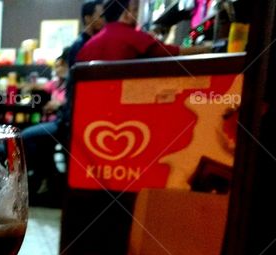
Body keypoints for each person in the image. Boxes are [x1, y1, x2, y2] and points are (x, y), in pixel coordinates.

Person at [19, 1, 104, 205]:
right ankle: (47, 182)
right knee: (29, 138)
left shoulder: (87, 44)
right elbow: (76, 87)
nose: (104, 20)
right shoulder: (82, 46)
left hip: (70, 119)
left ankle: (50, 183)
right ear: (87, 18)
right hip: (70, 119)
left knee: (28, 137)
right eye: (101, 15)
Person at [77, 0, 212, 62]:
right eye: (135, 9)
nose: (138, 14)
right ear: (125, 14)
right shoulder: (134, 37)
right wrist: (210, 48)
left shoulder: (87, 46)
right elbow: (174, 52)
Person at [41, 53, 69, 122]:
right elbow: (41, 86)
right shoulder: (54, 83)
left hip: (62, 121)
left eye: (62, 66)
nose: (58, 69)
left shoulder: (71, 84)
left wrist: (59, 104)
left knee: (26, 133)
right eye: (56, 66)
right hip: (48, 120)